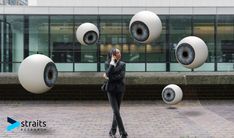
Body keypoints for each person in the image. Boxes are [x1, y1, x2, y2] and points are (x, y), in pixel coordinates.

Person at [103, 48, 128, 138]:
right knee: (116, 111)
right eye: (117, 52)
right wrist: (112, 64)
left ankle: (112, 131)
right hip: (111, 90)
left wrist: (109, 77)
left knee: (116, 112)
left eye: (120, 52)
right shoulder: (107, 64)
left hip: (120, 89)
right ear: (113, 55)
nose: (119, 54)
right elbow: (108, 73)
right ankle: (123, 132)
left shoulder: (123, 64)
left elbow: (121, 76)